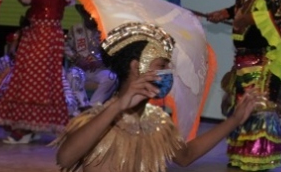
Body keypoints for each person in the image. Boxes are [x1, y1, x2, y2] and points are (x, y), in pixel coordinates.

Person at [55, 22, 263, 172]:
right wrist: (117, 107)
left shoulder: (157, 122)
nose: (168, 72)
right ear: (137, 67)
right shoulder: (99, 118)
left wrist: (234, 120)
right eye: (162, 65)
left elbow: (186, 156)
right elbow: (65, 158)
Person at [204, 0, 281, 170]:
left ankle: (257, 158)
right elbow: (240, 8)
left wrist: (250, 20)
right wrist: (223, 14)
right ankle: (240, 154)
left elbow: (280, 16)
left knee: (258, 107)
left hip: (263, 60)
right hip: (243, 60)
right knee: (240, 107)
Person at [0, 0, 78, 143]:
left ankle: (25, 130)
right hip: (32, 33)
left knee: (37, 80)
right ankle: (28, 126)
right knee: (26, 78)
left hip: (47, 36)